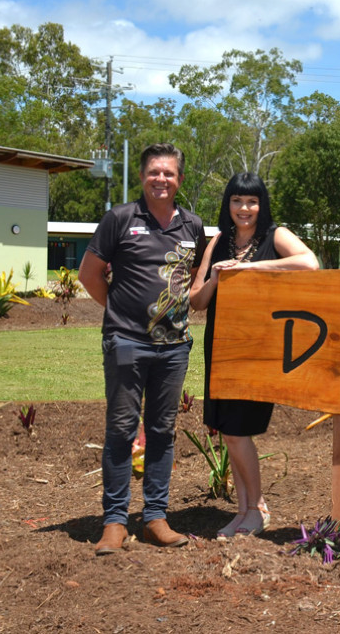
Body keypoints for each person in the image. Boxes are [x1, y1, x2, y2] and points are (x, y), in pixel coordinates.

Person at [78, 143, 205, 555]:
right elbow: (90, 274)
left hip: (174, 349)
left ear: (179, 180)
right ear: (143, 177)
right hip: (126, 343)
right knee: (120, 431)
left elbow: (193, 282)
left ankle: (154, 518)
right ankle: (114, 523)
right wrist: (120, 315)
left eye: (169, 173)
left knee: (162, 432)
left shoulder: (193, 227)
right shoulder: (120, 219)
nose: (161, 179)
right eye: (154, 172)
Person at [190, 171, 318, 538]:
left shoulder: (274, 236)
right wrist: (217, 277)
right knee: (228, 433)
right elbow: (197, 302)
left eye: (251, 201)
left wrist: (249, 267)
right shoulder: (218, 243)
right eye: (236, 201)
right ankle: (244, 510)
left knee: (239, 430)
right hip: (221, 346)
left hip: (258, 349)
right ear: (227, 203)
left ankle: (257, 507)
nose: (244, 208)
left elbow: (310, 263)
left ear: (261, 205)